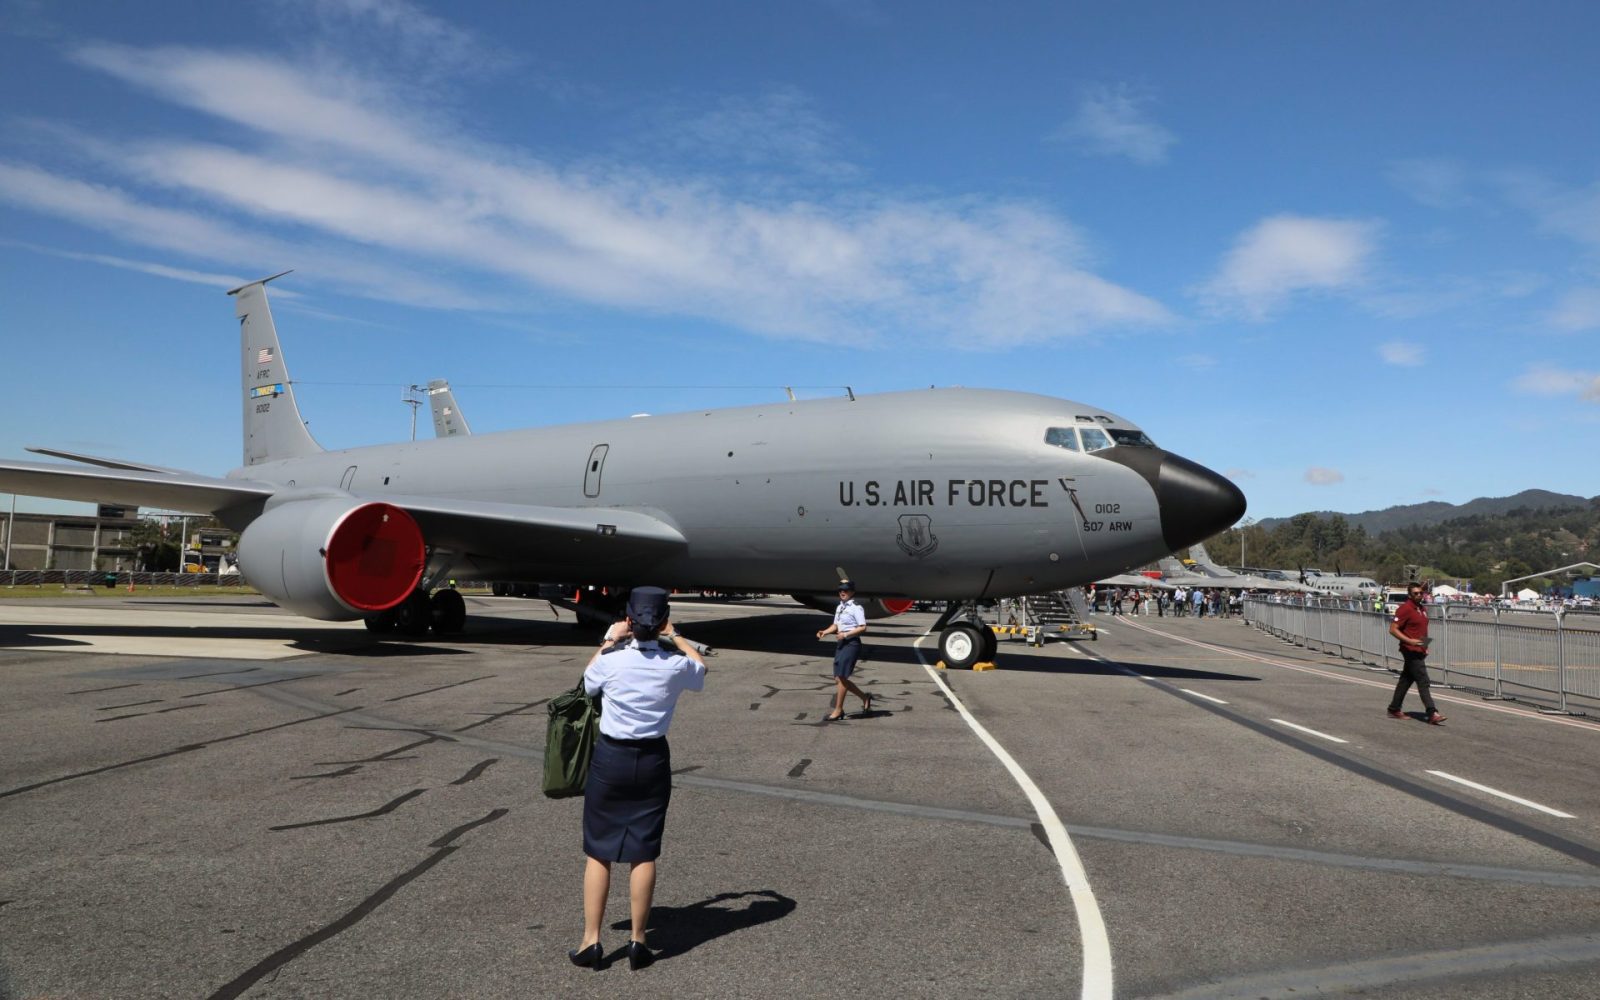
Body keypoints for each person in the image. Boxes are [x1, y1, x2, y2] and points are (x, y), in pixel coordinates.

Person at [570, 587, 707, 971]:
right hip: (651, 759)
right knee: (643, 849)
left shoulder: (612, 661)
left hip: (611, 758)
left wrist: (610, 637)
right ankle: (638, 940)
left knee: (600, 849)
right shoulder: (674, 664)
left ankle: (591, 941)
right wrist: (676, 635)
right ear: (662, 620)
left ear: (629, 619)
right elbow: (701, 669)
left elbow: (587, 681)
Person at [1387, 583, 1445, 724]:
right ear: (1409, 595)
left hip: (1419, 649)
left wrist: (1424, 646)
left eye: (1421, 592)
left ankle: (1394, 708)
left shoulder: (1422, 608)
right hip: (1409, 650)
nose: (1419, 595)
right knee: (1423, 679)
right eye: (1415, 593)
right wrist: (1410, 641)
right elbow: (1393, 629)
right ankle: (1432, 712)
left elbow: (1422, 630)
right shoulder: (1405, 609)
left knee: (1406, 679)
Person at [816, 580, 870, 720]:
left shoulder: (856, 608)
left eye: (846, 590)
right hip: (841, 644)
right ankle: (865, 698)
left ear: (852, 592)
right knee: (838, 679)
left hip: (851, 644)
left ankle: (838, 710)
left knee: (842, 678)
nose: (842, 592)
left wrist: (845, 634)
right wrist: (825, 632)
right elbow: (835, 625)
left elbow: (863, 627)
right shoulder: (840, 607)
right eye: (840, 590)